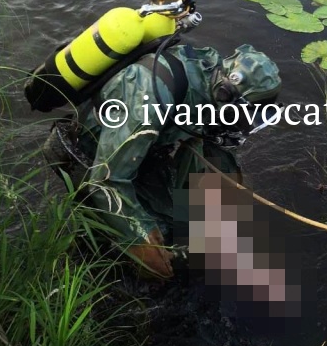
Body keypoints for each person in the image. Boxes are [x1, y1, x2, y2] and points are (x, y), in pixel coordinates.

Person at [44, 41, 281, 280]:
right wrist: (142, 239)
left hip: (141, 150)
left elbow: (208, 139)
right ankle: (96, 266)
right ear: (227, 97)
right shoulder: (149, 101)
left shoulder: (212, 76)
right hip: (90, 156)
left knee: (217, 206)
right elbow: (105, 180)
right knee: (164, 240)